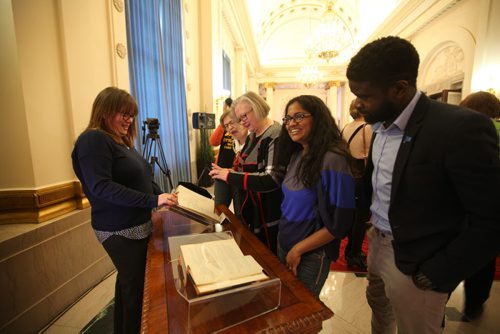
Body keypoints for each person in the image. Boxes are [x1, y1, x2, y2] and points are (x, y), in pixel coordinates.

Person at [346, 36, 500, 334]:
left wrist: (442, 270)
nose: (358, 104)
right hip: (377, 243)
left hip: (420, 260)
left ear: (399, 89)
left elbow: (492, 218)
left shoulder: (459, 128)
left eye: (364, 96)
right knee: (380, 311)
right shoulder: (380, 123)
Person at [71, 87, 178, 334]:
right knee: (137, 289)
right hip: (118, 228)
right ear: (105, 111)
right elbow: (102, 187)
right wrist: (152, 200)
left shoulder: (123, 142)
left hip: (138, 224)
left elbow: (144, 177)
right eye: (124, 113)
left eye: (132, 115)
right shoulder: (93, 140)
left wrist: (163, 197)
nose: (129, 119)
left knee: (130, 283)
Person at [275, 95, 356, 296]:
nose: (291, 123)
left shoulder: (333, 159)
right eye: (288, 119)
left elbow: (340, 223)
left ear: (317, 119)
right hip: (286, 243)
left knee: (303, 316)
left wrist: (298, 250)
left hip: (310, 254)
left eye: (299, 116)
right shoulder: (297, 153)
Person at [209, 91, 284, 254]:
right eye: (240, 118)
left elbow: (271, 179)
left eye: (244, 116)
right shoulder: (253, 136)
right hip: (252, 208)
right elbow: (244, 169)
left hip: (268, 210)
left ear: (257, 108)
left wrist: (229, 175)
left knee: (270, 255)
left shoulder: (275, 134)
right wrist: (227, 171)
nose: (242, 121)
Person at [458, 91, 500, 321]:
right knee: (484, 257)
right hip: (491, 210)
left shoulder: (463, 131)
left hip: (463, 205)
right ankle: (474, 304)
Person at [341, 99, 373, 271]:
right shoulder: (367, 128)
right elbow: (370, 156)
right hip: (361, 176)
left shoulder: (346, 127)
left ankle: (350, 251)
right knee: (361, 218)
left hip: (347, 176)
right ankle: (354, 253)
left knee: (352, 215)